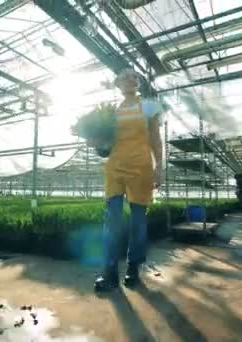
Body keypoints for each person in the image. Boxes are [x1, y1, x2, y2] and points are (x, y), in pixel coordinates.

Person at [90, 69, 164, 291]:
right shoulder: (111, 113)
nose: (132, 79)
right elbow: (105, 147)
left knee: (138, 221)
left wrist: (159, 165)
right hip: (115, 167)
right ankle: (109, 272)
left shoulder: (150, 106)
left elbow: (155, 139)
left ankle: (133, 268)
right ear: (118, 83)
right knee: (111, 220)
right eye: (127, 76)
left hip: (140, 166)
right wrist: (95, 141)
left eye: (136, 77)